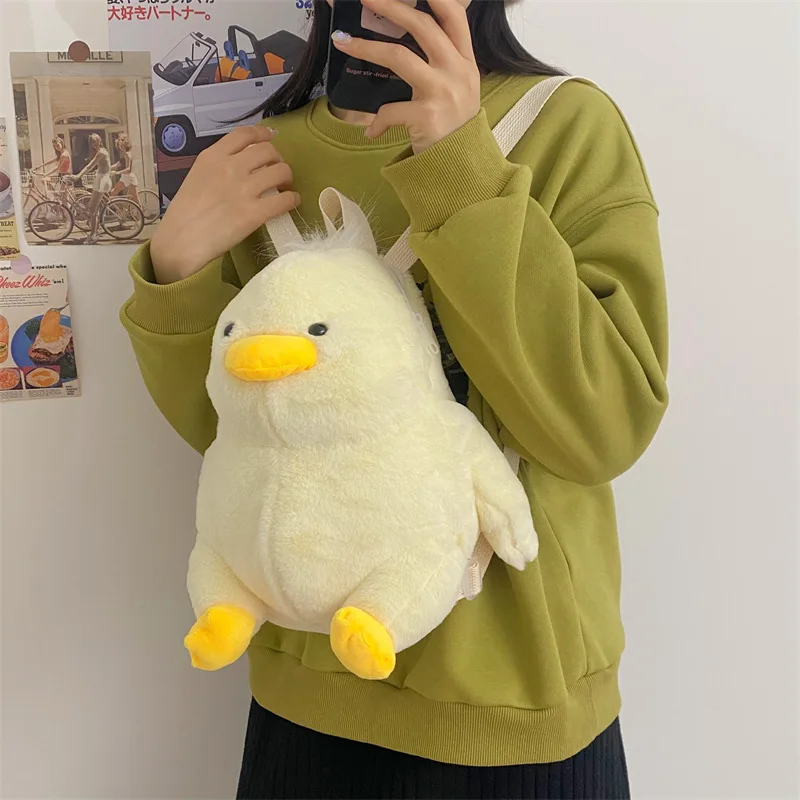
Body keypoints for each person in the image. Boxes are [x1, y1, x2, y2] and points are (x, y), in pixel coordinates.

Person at [121, 0, 668, 797]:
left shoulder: (566, 125)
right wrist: (175, 271)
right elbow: (240, 447)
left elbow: (602, 427)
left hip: (513, 716)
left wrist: (462, 172)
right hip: (306, 702)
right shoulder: (261, 159)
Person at [74, 133, 112, 244]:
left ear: (100, 140)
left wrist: (77, 176)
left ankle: (93, 235)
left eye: (96, 141)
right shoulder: (102, 150)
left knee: (92, 208)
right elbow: (104, 166)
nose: (94, 143)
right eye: (92, 142)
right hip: (101, 178)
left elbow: (89, 166)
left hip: (102, 180)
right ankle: (97, 228)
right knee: (95, 207)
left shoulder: (101, 152)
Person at [110, 133, 140, 206]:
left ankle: (142, 211)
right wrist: (105, 168)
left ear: (125, 144)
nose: (120, 147)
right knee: (113, 192)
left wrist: (116, 173)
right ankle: (120, 210)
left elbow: (128, 169)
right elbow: (117, 165)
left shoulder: (127, 154)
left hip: (129, 178)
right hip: (124, 178)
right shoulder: (124, 155)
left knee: (136, 200)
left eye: (121, 145)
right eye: (119, 145)